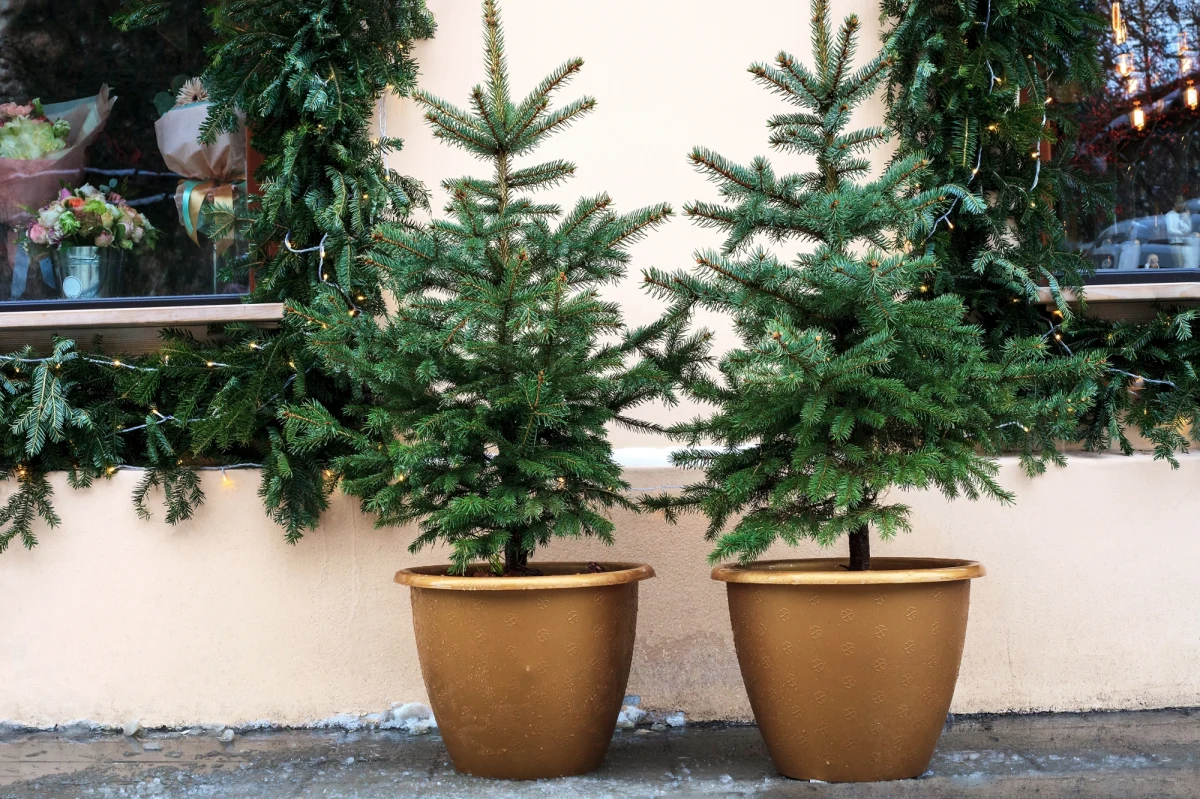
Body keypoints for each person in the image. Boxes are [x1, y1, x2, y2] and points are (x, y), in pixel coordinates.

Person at [1165, 196, 1194, 268]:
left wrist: (1187, 218)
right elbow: (1170, 229)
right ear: (1176, 204)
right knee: (1179, 263)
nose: (1182, 207)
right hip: (1175, 243)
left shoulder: (1182, 214)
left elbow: (1189, 228)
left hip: (1185, 242)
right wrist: (1181, 233)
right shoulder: (1169, 215)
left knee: (1186, 263)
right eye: (1181, 204)